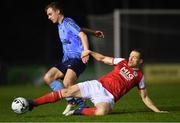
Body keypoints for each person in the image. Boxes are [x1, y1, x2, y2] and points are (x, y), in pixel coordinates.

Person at [27, 49, 167, 116]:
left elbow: (145, 97)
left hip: (108, 97)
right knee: (65, 92)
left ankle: (78, 111)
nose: (130, 59)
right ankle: (32, 103)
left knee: (102, 112)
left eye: (134, 58)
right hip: (97, 85)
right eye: (130, 56)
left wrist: (158, 111)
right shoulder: (121, 62)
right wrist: (90, 52)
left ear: (140, 61)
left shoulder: (140, 76)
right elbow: (104, 58)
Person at [43, 2, 104, 115]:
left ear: (58, 11)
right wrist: (93, 32)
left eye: (50, 14)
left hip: (78, 58)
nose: (49, 17)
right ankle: (71, 101)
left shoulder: (68, 22)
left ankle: (82, 106)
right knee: (48, 77)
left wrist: (85, 52)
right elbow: (79, 29)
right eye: (48, 15)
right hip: (67, 60)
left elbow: (82, 35)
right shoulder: (60, 25)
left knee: (67, 82)